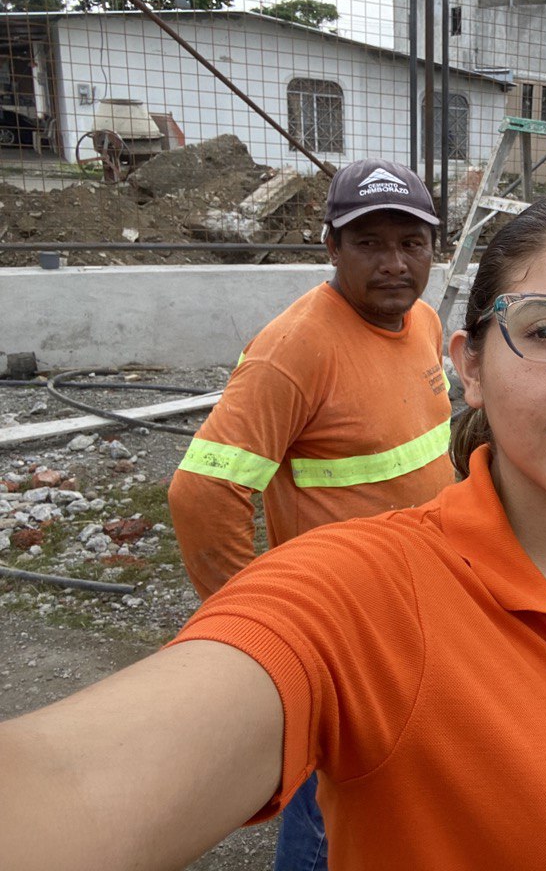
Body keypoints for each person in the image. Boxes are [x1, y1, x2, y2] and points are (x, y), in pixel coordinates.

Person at [0, 192, 546, 871]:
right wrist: (255, 628)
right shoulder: (361, 605)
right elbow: (73, 790)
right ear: (472, 370)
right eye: (544, 330)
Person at [167, 156, 454, 871]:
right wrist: (264, 629)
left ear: (434, 247)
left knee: (392, 782)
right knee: (328, 801)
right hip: (342, 629)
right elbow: (202, 492)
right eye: (369, 243)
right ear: (331, 246)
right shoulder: (294, 350)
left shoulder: (421, 320)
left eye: (411, 243)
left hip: (420, 606)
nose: (394, 263)